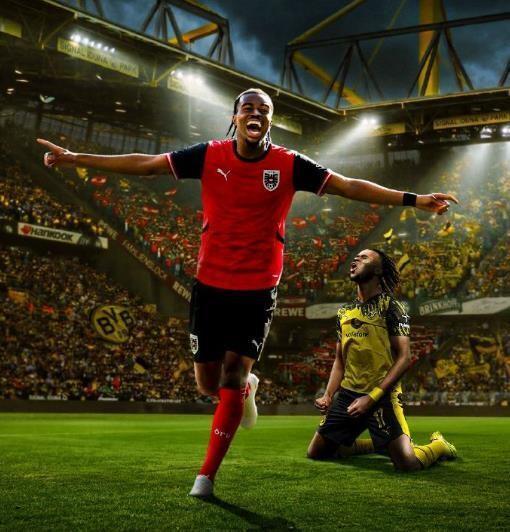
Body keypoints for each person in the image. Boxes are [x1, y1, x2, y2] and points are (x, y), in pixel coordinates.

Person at [37, 88, 458, 496]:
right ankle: (246, 391)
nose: (256, 113)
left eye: (264, 109)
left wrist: (414, 199)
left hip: (257, 290)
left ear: (270, 120)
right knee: (208, 384)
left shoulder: (289, 164)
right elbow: (147, 164)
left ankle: (206, 477)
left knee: (233, 375)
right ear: (235, 117)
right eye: (248, 108)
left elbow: (348, 185)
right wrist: (75, 158)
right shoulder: (208, 154)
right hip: (210, 285)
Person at [307, 248, 457, 470]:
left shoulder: (392, 307)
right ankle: (379, 445)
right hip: (348, 395)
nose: (356, 259)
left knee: (407, 463)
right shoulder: (344, 312)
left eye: (364, 257)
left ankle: (439, 445)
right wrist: (328, 395)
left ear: (378, 270)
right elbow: (339, 360)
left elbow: (404, 357)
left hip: (381, 395)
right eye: (355, 257)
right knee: (317, 452)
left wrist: (372, 397)